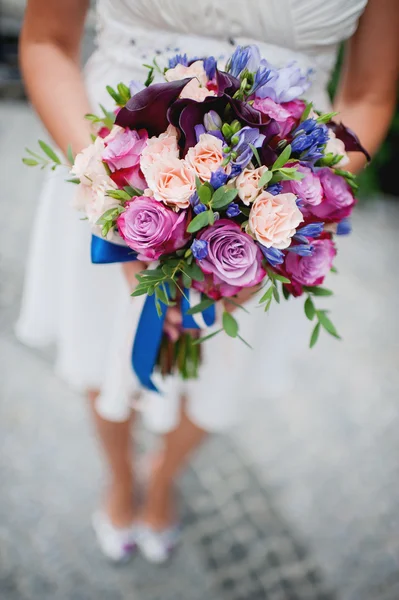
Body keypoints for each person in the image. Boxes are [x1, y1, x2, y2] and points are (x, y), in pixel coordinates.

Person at [17, 0, 399, 564]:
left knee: (222, 371)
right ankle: (120, 478)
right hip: (109, 166)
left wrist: (274, 224)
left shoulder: (280, 210)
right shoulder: (112, 189)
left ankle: (164, 477)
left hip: (283, 190)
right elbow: (46, 40)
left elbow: (367, 94)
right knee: (106, 351)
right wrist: (121, 207)